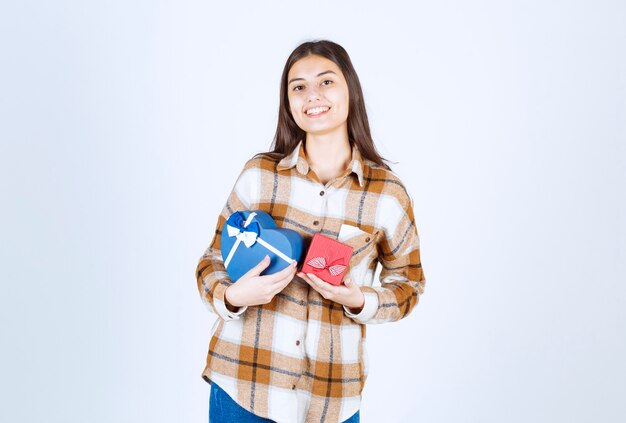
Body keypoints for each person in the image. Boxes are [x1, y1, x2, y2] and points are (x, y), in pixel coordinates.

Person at [195, 39, 426, 423]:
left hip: (330, 400)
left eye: (326, 82)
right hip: (243, 386)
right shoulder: (259, 176)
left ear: (350, 88)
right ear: (288, 103)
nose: (312, 96)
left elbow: (409, 283)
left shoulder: (388, 194)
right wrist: (233, 296)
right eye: (298, 87)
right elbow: (211, 261)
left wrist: (359, 300)